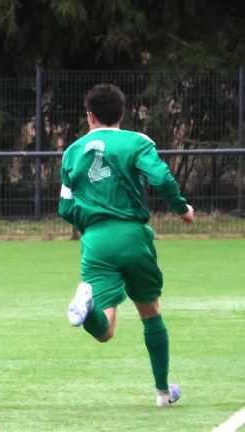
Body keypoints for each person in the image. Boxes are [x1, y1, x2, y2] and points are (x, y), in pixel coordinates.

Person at [58, 83, 195, 407]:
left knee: (105, 331)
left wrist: (90, 218)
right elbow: (160, 178)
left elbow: (64, 207)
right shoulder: (138, 142)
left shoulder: (72, 151)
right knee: (150, 313)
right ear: (122, 113)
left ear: (89, 116)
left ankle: (87, 308)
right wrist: (182, 209)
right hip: (133, 236)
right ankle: (162, 392)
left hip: (96, 241)